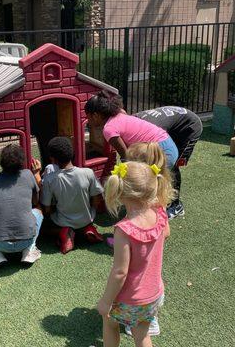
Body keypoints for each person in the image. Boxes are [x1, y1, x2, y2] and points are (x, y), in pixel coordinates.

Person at [97, 161, 173, 347]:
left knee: (110, 324)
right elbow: (167, 233)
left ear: (120, 194)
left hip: (130, 300)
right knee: (142, 335)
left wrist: (106, 302)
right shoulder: (159, 212)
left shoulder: (124, 230)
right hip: (154, 294)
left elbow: (119, 273)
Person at [0, 144, 43, 268]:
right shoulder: (28, 174)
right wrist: (36, 174)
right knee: (38, 210)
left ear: (1, 161)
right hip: (26, 239)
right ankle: (29, 249)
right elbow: (36, 202)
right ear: (21, 162)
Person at [135, 106, 203, 219]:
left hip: (189, 128)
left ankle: (176, 206)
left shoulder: (147, 130)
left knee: (172, 165)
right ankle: (155, 198)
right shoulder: (134, 121)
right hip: (172, 128)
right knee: (154, 163)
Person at [40, 136, 104, 254]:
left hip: (62, 222)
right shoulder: (88, 172)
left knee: (44, 228)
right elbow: (96, 199)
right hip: (87, 218)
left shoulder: (50, 179)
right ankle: (87, 229)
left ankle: (65, 232)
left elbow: (47, 209)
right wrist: (91, 211)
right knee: (82, 220)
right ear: (72, 153)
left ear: (52, 159)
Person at [84, 92, 179, 168]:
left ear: (96, 115)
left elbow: (126, 156)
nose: (88, 121)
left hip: (159, 151)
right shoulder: (120, 114)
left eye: (88, 117)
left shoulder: (108, 129)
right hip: (169, 144)